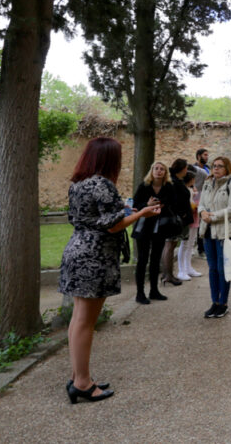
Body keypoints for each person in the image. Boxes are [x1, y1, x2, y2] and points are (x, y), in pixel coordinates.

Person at [59, 137, 161, 403]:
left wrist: (128, 210)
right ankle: (82, 383)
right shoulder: (102, 183)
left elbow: (95, 217)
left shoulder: (78, 183)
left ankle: (78, 376)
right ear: (108, 159)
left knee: (78, 319)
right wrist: (142, 214)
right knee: (85, 321)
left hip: (76, 249)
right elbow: (112, 226)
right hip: (94, 255)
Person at [197, 156, 231, 319]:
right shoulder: (208, 183)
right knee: (213, 268)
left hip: (224, 231)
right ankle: (214, 302)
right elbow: (201, 203)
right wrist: (202, 212)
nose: (216, 168)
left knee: (223, 269)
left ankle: (223, 303)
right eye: (214, 166)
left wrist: (212, 216)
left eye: (220, 166)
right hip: (208, 230)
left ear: (227, 168)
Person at [131, 161, 176, 304]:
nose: (159, 171)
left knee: (156, 259)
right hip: (144, 226)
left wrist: (161, 205)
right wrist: (147, 205)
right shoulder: (144, 186)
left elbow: (172, 204)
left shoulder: (168, 187)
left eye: (162, 169)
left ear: (165, 172)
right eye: (156, 168)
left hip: (160, 226)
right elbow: (135, 205)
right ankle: (140, 293)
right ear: (152, 171)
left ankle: (154, 290)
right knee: (143, 259)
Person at [161, 158, 193, 284]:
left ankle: (167, 274)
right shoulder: (173, 182)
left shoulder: (175, 181)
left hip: (178, 218)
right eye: (186, 168)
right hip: (175, 220)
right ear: (183, 168)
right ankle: (168, 275)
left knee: (170, 245)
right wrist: (181, 214)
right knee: (170, 245)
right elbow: (172, 201)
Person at [174, 169, 201, 279]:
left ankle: (188, 267)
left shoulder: (191, 189)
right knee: (185, 244)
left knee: (191, 244)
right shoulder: (185, 190)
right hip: (188, 219)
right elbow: (189, 204)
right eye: (193, 179)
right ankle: (182, 270)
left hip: (194, 218)